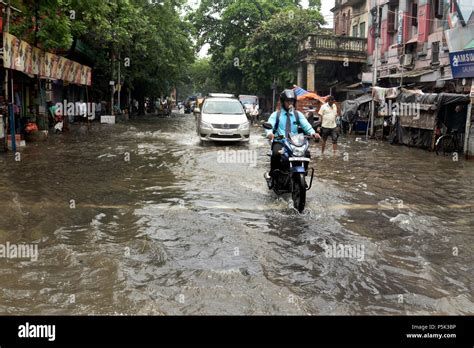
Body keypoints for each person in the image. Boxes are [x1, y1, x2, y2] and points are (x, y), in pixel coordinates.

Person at [265, 89, 320, 183]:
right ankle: (272, 175)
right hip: (280, 140)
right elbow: (269, 125)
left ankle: (303, 175)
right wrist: (269, 133)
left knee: (306, 154)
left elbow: (306, 125)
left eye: (292, 101)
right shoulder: (276, 115)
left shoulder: (298, 115)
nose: (290, 103)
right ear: (283, 102)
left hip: (294, 141)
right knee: (276, 154)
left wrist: (313, 133)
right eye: (287, 101)